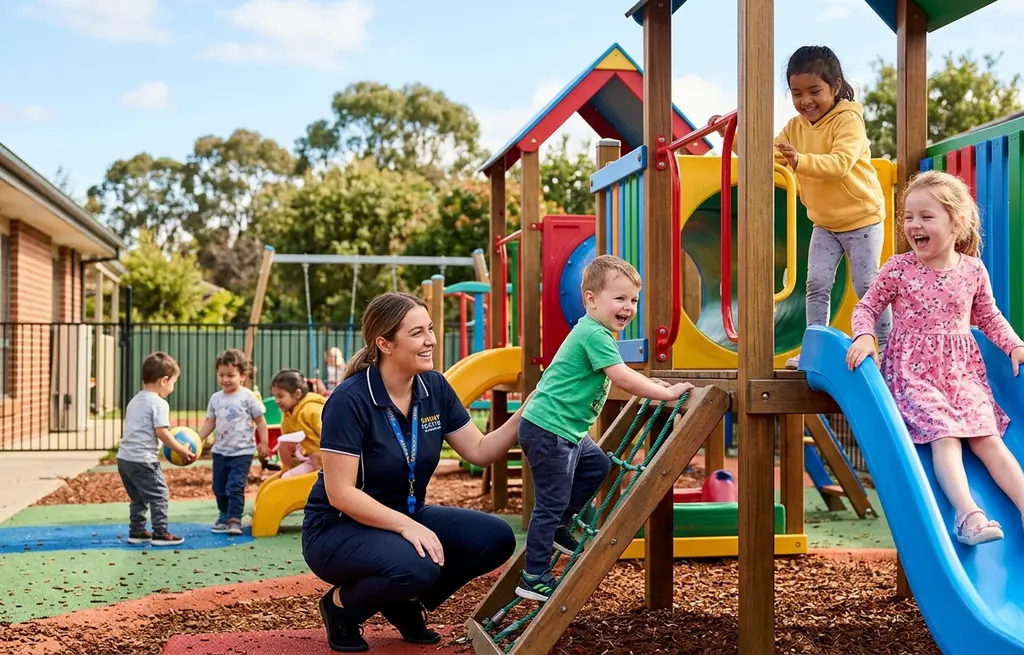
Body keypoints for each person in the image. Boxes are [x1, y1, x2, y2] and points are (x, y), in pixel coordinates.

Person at [846, 170, 1024, 546]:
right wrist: (865, 336)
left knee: (988, 438)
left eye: (926, 217)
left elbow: (990, 317)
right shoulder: (898, 269)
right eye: (909, 217)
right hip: (913, 375)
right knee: (945, 436)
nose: (914, 225)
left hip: (963, 375)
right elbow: (866, 308)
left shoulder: (973, 271)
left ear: (956, 222)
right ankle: (968, 515)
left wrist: (1015, 346)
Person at [301, 292, 526, 652]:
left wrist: (525, 414)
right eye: (418, 332)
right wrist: (408, 526)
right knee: (418, 567)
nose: (431, 340)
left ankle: (403, 602)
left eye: (431, 329)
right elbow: (340, 492)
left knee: (496, 539)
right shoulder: (350, 399)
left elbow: (480, 451)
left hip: (407, 513)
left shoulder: (434, 387)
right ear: (385, 344)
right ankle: (341, 607)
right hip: (338, 527)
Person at [515, 255, 693, 603]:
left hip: (567, 432)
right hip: (550, 431)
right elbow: (622, 376)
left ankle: (561, 525)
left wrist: (652, 384)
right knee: (549, 503)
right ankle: (533, 574)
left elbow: (621, 375)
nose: (628, 307)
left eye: (633, 300)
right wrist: (665, 391)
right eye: (620, 298)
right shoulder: (594, 334)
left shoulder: (596, 332)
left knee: (597, 465)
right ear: (591, 299)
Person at [709, 45, 892, 367]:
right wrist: (732, 138)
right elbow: (766, 154)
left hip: (862, 218)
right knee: (816, 284)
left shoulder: (848, 121)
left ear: (835, 87)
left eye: (814, 91)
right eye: (796, 93)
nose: (805, 100)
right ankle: (815, 351)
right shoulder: (795, 127)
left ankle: (890, 351)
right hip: (824, 222)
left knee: (866, 285)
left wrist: (800, 160)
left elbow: (840, 164)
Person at [116, 352, 193, 546]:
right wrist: (181, 449)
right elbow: (162, 433)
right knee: (160, 495)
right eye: (174, 382)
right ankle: (160, 533)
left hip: (124, 459)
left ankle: (137, 531)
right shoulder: (159, 403)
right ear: (164, 381)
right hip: (143, 460)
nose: (173, 387)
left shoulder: (135, 401)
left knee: (138, 498)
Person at [196, 348, 269, 537]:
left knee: (235, 486)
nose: (225, 379)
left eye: (231, 375)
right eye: (221, 375)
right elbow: (210, 422)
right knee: (219, 487)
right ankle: (223, 515)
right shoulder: (216, 398)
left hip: (242, 452)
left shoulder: (247, 397)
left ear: (242, 376)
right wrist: (198, 439)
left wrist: (264, 444)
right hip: (220, 451)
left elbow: (260, 422)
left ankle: (234, 519)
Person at [270, 368, 326, 478]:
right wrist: (285, 469)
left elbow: (331, 436)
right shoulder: (287, 415)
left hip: (329, 461)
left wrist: (322, 459)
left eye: (280, 396)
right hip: (312, 459)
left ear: (297, 394)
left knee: (288, 478)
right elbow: (285, 444)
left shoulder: (312, 410)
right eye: (275, 396)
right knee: (286, 476)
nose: (277, 401)